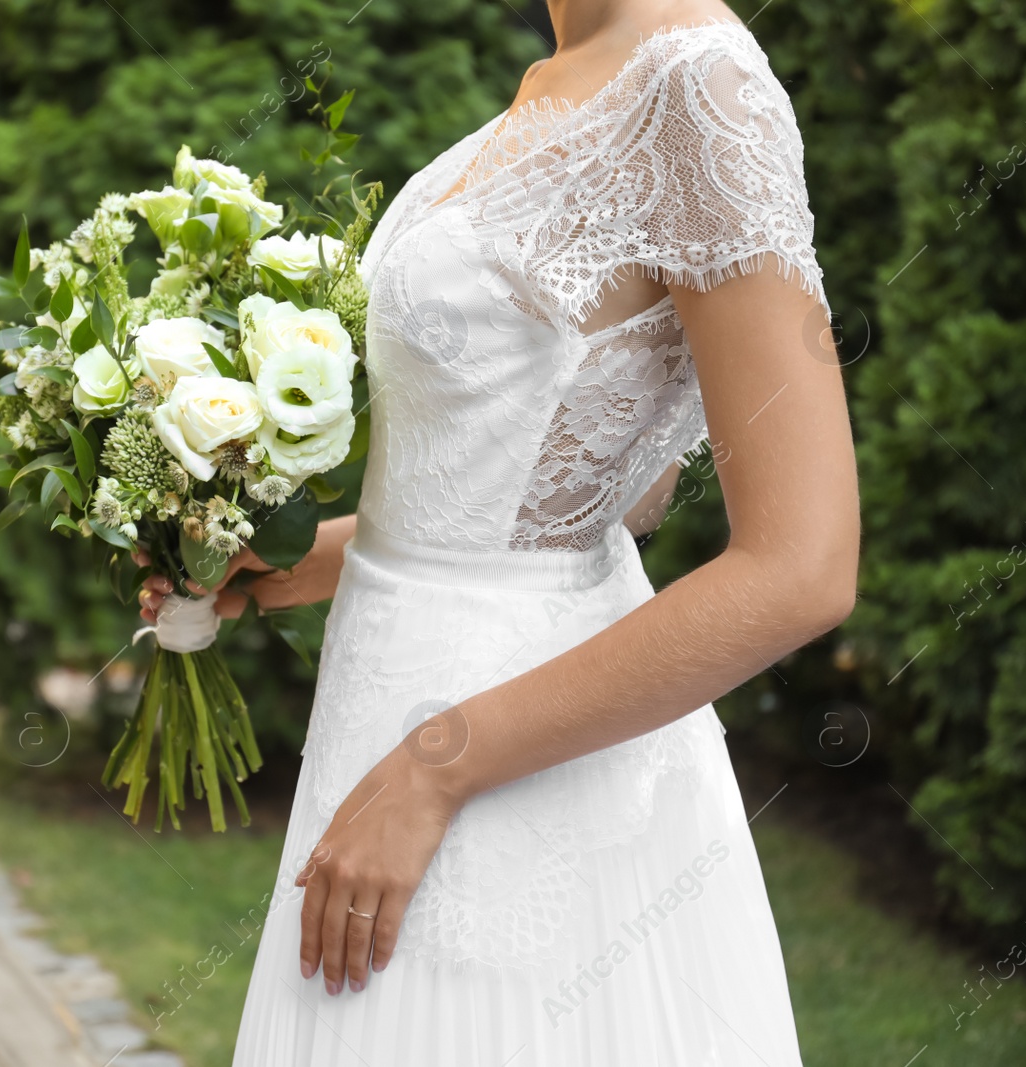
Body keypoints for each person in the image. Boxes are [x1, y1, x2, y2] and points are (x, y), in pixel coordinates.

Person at [139, 1, 858, 1061]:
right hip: (379, 709)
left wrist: (439, 764)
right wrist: (308, 556)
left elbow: (802, 567)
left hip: (505, 766)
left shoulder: (698, 85)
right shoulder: (566, 69)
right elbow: (582, 480)